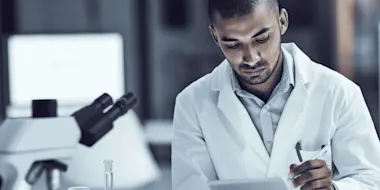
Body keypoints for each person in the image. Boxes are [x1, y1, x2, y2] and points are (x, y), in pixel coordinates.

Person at [171, 0, 380, 189]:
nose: (251, 58)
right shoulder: (192, 104)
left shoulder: (339, 92)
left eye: (261, 38)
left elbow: (372, 179)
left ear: (282, 21)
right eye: (233, 44)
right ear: (215, 37)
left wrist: (333, 189)